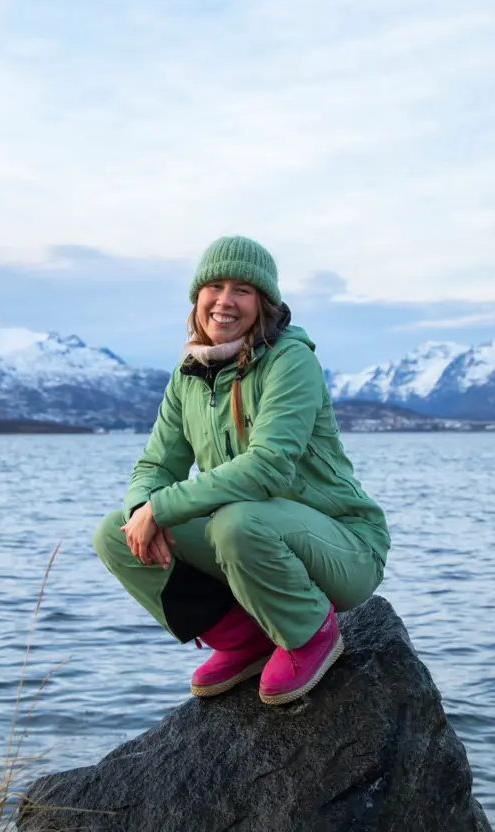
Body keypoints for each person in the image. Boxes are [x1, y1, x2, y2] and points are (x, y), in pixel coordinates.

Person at [92, 235, 391, 705]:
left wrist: (163, 506)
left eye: (242, 290)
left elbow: (268, 468)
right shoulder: (188, 375)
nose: (225, 301)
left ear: (264, 303)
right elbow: (155, 465)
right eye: (214, 286)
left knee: (235, 522)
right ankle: (243, 638)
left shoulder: (291, 360)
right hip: (250, 539)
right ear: (197, 298)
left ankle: (310, 632)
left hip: (343, 546)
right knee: (116, 531)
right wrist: (142, 508)